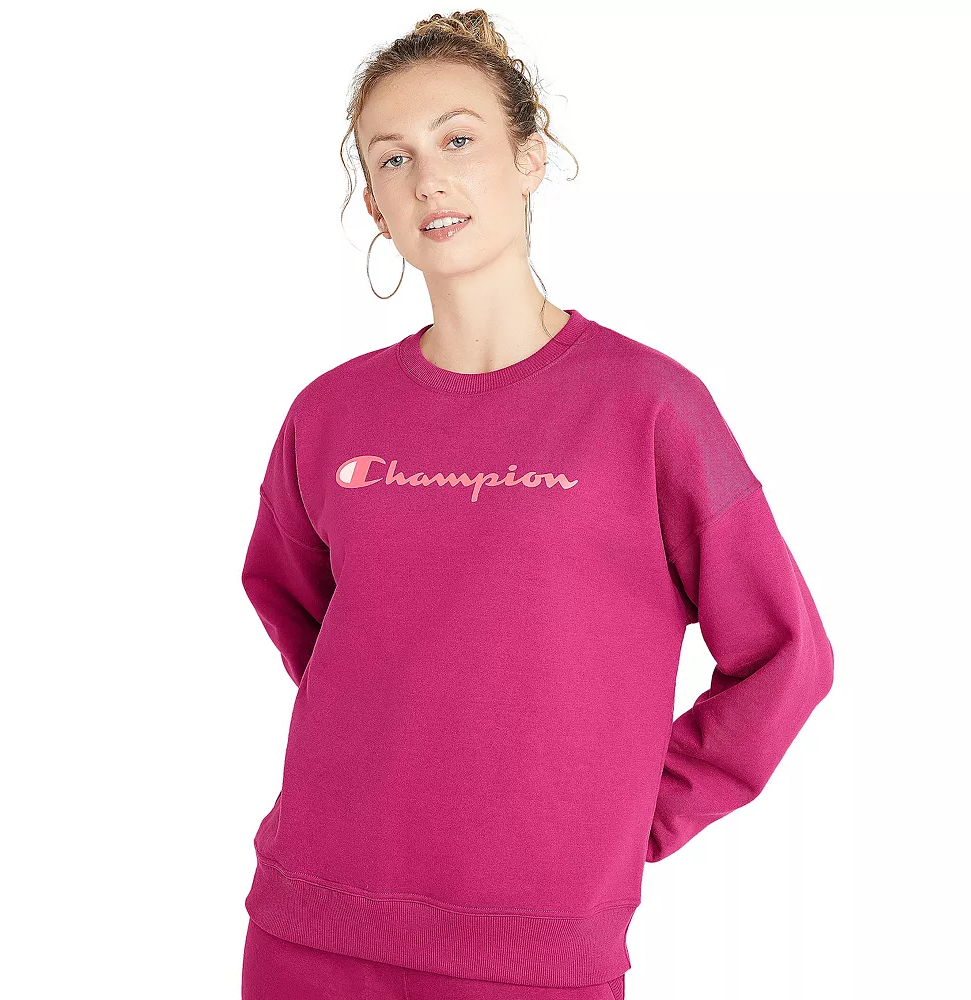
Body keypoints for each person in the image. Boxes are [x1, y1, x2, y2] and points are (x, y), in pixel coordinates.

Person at [239, 10, 834, 1000]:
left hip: (535, 942)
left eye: (458, 140)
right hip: (314, 919)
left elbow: (785, 656)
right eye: (393, 158)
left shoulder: (650, 408)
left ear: (529, 157)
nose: (428, 179)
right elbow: (308, 615)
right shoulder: (329, 414)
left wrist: (631, 811)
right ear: (374, 204)